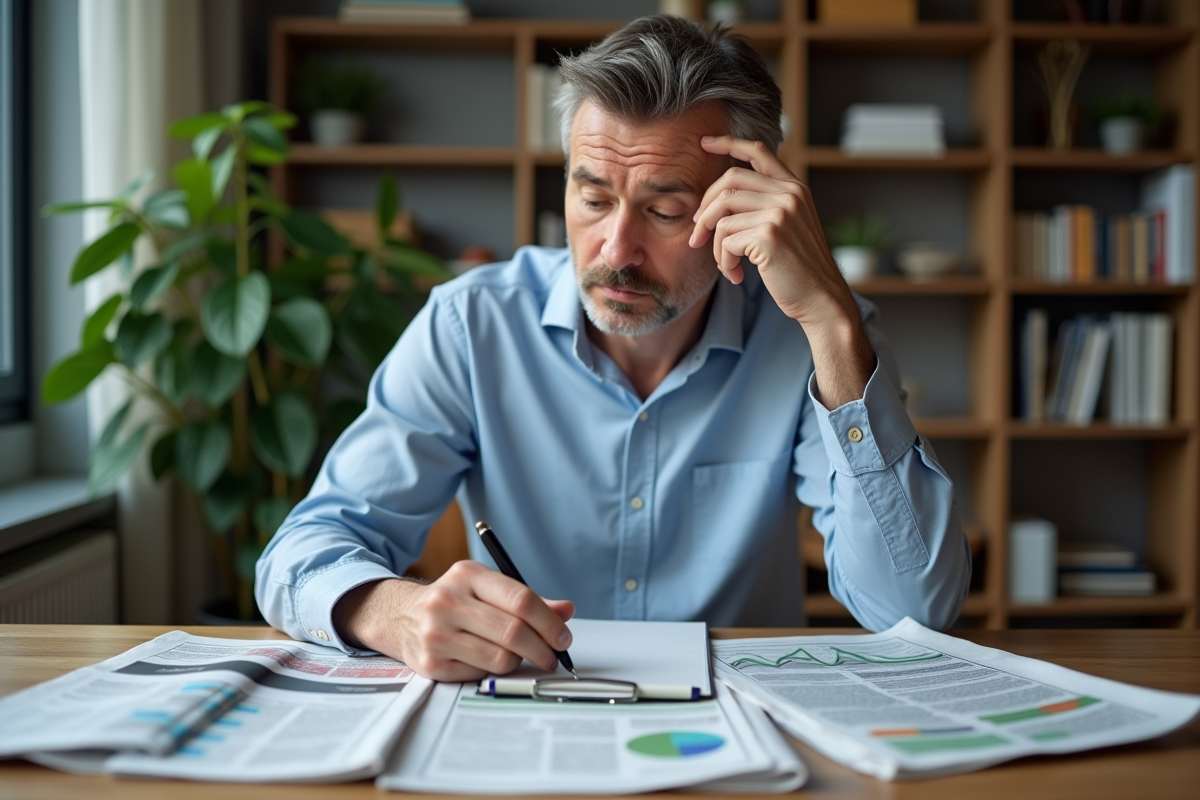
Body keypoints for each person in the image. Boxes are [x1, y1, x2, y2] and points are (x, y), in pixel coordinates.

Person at [256, 15, 971, 681]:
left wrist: (832, 326)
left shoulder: (810, 335)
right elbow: (299, 555)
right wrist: (391, 611)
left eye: (665, 210)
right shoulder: (471, 325)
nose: (616, 250)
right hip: (527, 709)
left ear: (743, 205)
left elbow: (914, 611)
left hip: (738, 727)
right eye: (592, 199)